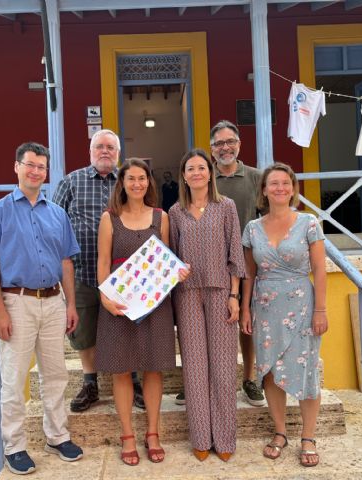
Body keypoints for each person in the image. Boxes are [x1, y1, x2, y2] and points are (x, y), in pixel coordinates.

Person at [0, 142, 84, 475]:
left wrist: (71, 304)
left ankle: (56, 436)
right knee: (13, 379)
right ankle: (15, 446)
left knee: (56, 375)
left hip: (53, 302)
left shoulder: (57, 214)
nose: (36, 171)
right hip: (17, 302)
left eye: (42, 166)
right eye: (30, 164)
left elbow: (66, 262)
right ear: (17, 167)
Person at [96, 158, 188, 466]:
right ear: (121, 183)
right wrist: (106, 299)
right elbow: (103, 262)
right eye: (131, 178)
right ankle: (127, 435)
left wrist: (179, 272)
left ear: (149, 182)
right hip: (119, 305)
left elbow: (169, 259)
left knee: (153, 368)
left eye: (143, 178)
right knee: (122, 370)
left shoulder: (161, 217)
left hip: (154, 305)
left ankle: (152, 433)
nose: (137, 183)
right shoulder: (110, 218)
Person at [240, 162, 328, 468]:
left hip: (303, 305)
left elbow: (319, 268)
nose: (280, 188)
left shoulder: (309, 223)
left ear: (292, 189)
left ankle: (308, 437)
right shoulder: (252, 228)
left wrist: (321, 309)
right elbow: (249, 273)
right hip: (264, 307)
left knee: (306, 371)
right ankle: (280, 432)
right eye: (273, 183)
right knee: (271, 372)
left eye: (285, 183)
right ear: (263, 190)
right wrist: (245, 309)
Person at [53, 129, 145, 412]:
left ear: (118, 153)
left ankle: (133, 380)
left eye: (111, 147)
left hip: (124, 276)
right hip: (82, 273)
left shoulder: (128, 181)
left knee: (128, 328)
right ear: (90, 151)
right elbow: (55, 221)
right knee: (84, 332)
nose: (105, 151)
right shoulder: (72, 182)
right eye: (99, 147)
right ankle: (90, 382)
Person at [169, 148, 246, 462]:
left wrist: (234, 295)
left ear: (210, 173)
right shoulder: (175, 212)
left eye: (202, 167)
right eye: (191, 168)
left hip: (220, 292)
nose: (197, 173)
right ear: (184, 176)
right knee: (195, 369)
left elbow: (235, 254)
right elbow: (170, 256)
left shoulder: (225, 207)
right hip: (187, 295)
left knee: (224, 369)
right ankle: (201, 437)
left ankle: (225, 439)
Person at [210, 119, 265, 407]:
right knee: (213, 325)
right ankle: (207, 379)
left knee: (248, 323)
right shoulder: (204, 178)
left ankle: (249, 378)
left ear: (239, 144)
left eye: (230, 141)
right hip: (213, 264)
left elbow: (269, 218)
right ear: (211, 149)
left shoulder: (256, 178)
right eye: (219, 143)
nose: (225, 147)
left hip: (249, 264)